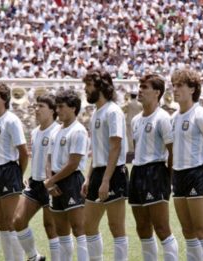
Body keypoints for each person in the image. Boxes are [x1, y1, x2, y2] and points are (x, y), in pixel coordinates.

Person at [170, 68, 203, 261]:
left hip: (196, 173)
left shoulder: (200, 114)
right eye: (173, 85)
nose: (175, 89)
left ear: (192, 89)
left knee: (202, 231)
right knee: (187, 231)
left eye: (180, 85)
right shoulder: (174, 118)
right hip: (178, 174)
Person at [81, 68, 129, 260]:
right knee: (89, 225)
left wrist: (106, 180)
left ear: (100, 86)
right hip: (99, 173)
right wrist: (88, 176)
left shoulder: (113, 111)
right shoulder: (96, 113)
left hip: (114, 173)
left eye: (88, 85)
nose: (85, 89)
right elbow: (98, 150)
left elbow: (115, 147)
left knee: (116, 227)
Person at [130, 74, 179, 261]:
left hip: (156, 172)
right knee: (142, 228)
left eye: (144, 87)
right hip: (137, 172)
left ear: (157, 92)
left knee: (161, 228)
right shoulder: (135, 120)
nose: (139, 90)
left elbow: (172, 150)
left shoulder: (163, 118)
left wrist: (167, 175)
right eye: (139, 86)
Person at [13, 94, 60, 261]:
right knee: (17, 220)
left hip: (52, 183)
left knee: (50, 227)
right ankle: (34, 257)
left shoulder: (58, 130)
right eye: (36, 106)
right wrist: (29, 175)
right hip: (34, 183)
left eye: (41, 106)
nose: (37, 109)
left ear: (53, 111)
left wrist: (53, 181)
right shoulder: (34, 132)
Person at [44, 90, 90, 261]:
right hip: (55, 181)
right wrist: (50, 181)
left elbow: (73, 163)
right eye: (57, 106)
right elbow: (49, 158)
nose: (57, 110)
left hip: (72, 180)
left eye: (61, 106)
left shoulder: (78, 131)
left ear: (73, 108)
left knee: (78, 228)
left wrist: (51, 181)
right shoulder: (55, 131)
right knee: (61, 229)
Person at [0, 83, 29, 261]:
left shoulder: (11, 120)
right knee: (1, 222)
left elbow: (24, 152)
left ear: (4, 99)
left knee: (12, 222)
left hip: (9, 170)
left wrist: (18, 174)